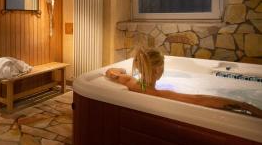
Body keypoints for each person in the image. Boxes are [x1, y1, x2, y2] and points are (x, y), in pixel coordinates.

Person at [105, 48, 262, 118]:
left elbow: (110, 72)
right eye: (163, 67)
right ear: (157, 71)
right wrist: (245, 106)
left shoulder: (131, 83)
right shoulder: (161, 95)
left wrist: (117, 72)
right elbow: (200, 99)